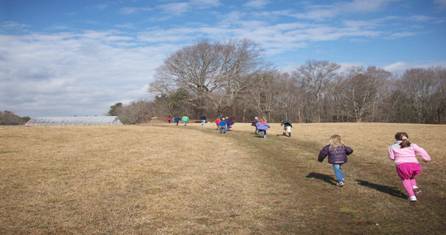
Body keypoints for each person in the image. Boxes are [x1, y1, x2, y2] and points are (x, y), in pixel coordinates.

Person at [388, 132, 431, 202]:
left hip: (402, 166)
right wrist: (427, 158)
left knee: (405, 179)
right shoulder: (413, 145)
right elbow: (421, 150)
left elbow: (392, 157)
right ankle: (414, 186)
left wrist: (395, 157)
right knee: (411, 176)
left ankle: (412, 196)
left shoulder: (392, 146)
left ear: (396, 139)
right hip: (415, 166)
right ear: (407, 138)